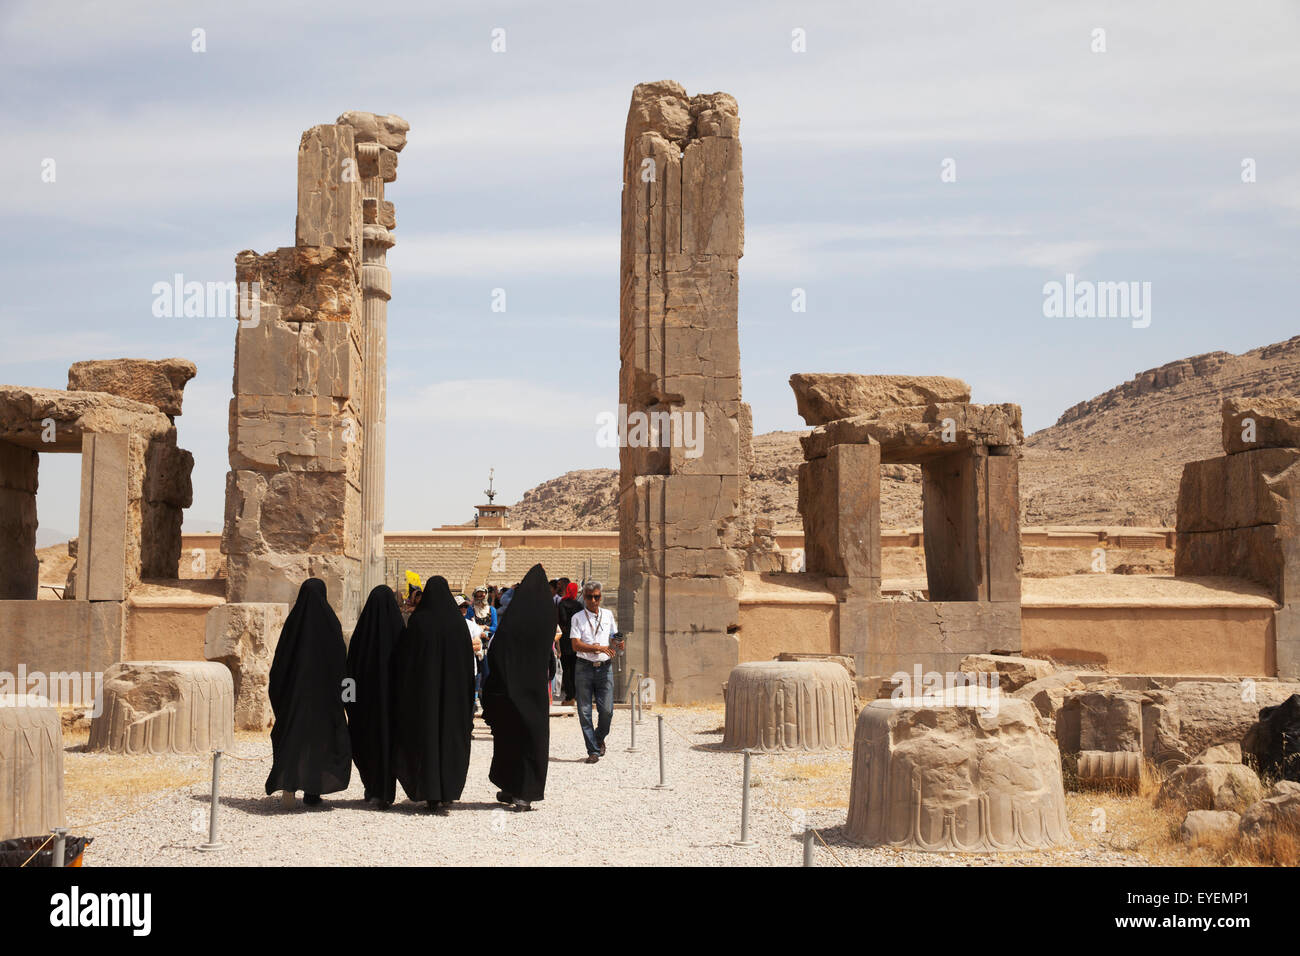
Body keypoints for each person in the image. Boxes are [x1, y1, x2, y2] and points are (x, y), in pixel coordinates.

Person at [391, 576, 477, 815]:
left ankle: (429, 793)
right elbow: (467, 666)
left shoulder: (419, 622)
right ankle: (448, 790)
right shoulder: (457, 624)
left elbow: (407, 664)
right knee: (449, 737)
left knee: (427, 737)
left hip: (424, 696)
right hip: (454, 697)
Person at [265, 578, 352, 807]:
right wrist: (347, 700)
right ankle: (314, 791)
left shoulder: (294, 624)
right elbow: (342, 666)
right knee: (321, 743)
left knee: (293, 739)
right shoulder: (330, 624)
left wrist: (280, 698)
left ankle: (289, 786)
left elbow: (279, 667)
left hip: (295, 699)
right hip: (325, 700)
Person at [481, 564, 554, 811]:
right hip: (534, 691)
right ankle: (524, 792)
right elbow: (549, 655)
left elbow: (499, 649)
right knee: (532, 740)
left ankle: (512, 786)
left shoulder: (515, 616)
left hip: (511, 689)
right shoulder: (547, 614)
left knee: (510, 738)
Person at [346, 584, 404, 807]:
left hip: (364, 708)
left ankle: (372, 788)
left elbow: (349, 673)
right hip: (392, 707)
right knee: (389, 747)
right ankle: (386, 792)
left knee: (367, 746)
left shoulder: (361, 636)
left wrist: (348, 701)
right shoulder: (399, 632)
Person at [569, 580, 617, 763]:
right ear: (584, 597)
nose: (593, 601)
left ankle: (598, 737)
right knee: (584, 711)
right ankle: (593, 750)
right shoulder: (577, 618)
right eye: (590, 597)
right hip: (584, 667)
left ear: (601, 597)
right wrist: (594, 648)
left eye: (597, 597)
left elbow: (614, 636)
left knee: (607, 711)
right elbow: (575, 645)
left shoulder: (608, 615)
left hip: (604, 668)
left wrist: (617, 643)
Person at [555, 581, 582, 706]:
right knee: (575, 669)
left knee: (566, 669)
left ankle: (570, 696)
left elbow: (562, 620)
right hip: (576, 639)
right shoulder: (578, 605)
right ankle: (575, 696)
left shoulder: (562, 603)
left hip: (565, 639)